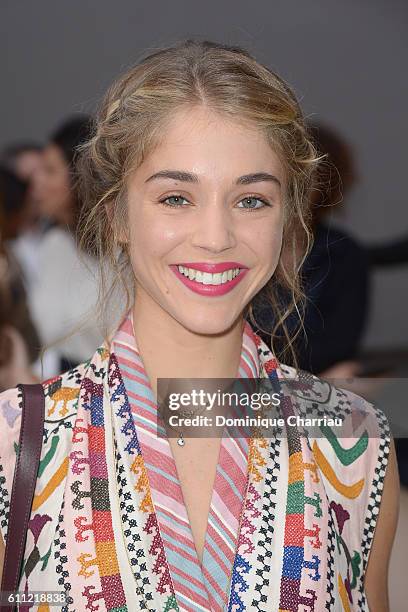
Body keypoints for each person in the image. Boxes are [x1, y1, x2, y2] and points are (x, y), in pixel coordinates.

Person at [0, 40, 399, 611]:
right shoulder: (17, 441)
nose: (215, 236)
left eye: (252, 200)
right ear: (114, 215)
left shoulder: (353, 443)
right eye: (176, 197)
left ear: (287, 218)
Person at [252, 122, 370, 377]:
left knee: (346, 375)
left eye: (306, 177)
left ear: (327, 183)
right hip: (246, 378)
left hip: (309, 381)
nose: (294, 189)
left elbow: (339, 346)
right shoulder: (239, 244)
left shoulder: (343, 254)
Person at [28, 116, 105, 374]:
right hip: (62, 388)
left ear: (79, 176)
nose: (37, 182)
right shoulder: (53, 245)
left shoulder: (122, 250)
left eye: (50, 171)